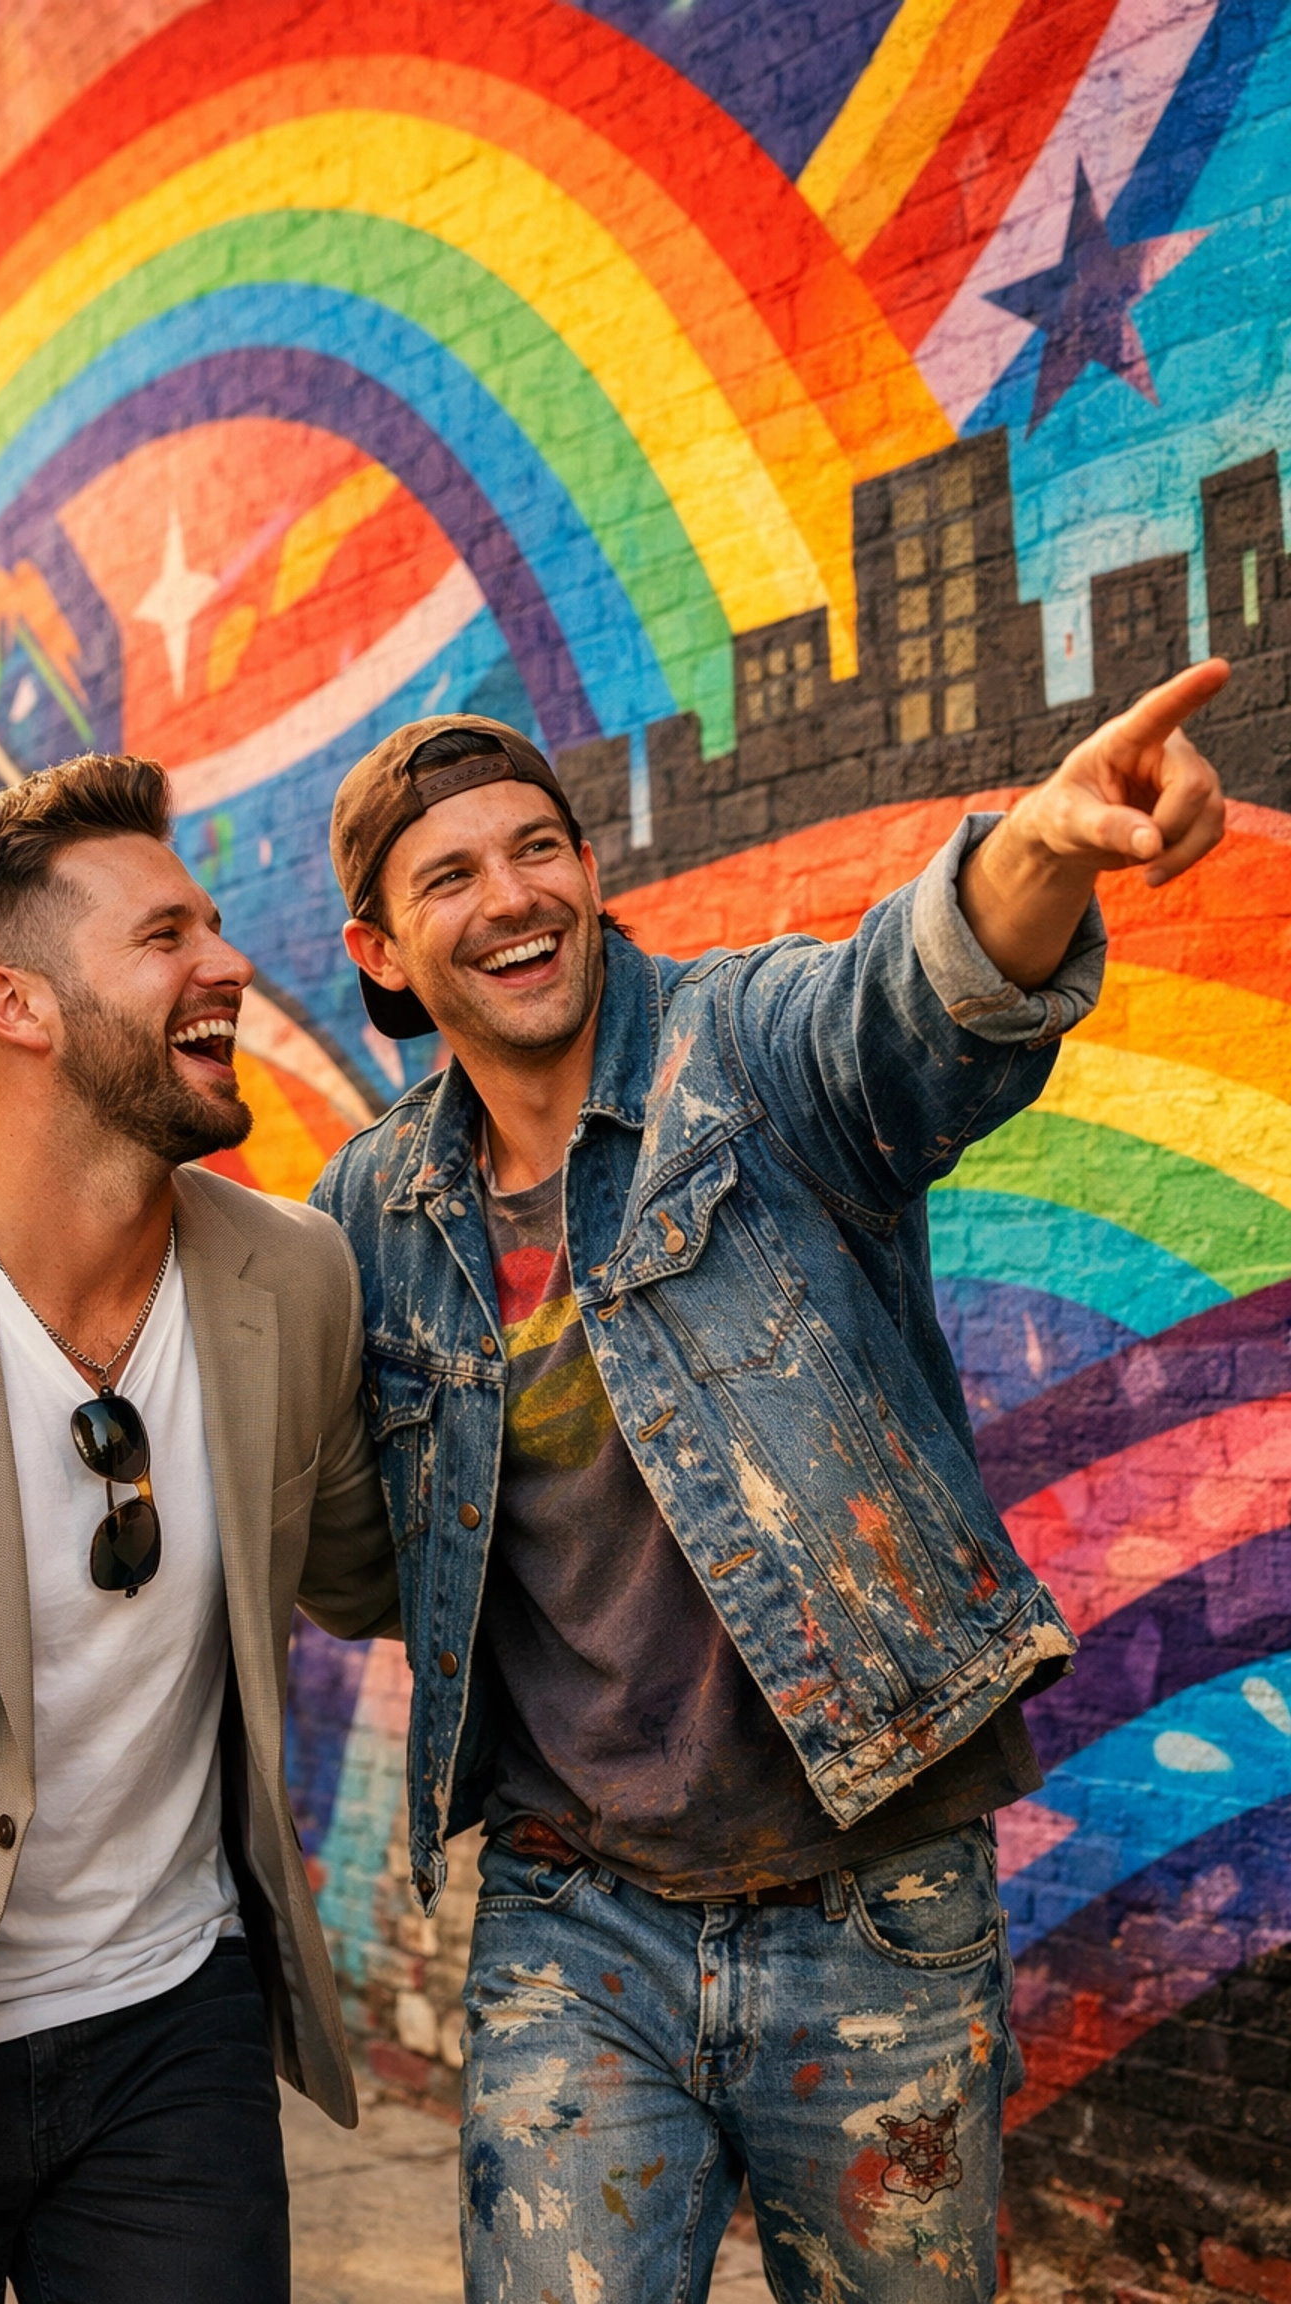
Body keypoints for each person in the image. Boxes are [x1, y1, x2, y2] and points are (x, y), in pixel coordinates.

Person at [309, 664, 1229, 2304]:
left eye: (540, 848)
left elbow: (915, 997)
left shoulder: (746, 1054)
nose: (512, 896)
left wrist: (1050, 846)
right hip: (572, 1923)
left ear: (591, 875)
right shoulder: (373, 1217)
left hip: (870, 1909)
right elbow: (358, 1550)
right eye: (448, 874)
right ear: (381, 950)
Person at [0, 755, 397, 2304]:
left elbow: (379, 1576)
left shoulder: (294, 1277)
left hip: (171, 2031)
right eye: (165, 936)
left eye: (213, 927)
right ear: (18, 1005)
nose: (227, 964)